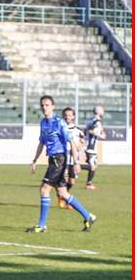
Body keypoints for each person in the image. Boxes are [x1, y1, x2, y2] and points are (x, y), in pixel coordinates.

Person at [28, 96, 96, 233]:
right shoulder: (43, 123)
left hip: (59, 159)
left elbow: (71, 142)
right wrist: (34, 160)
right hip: (52, 159)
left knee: (44, 189)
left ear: (53, 107)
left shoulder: (59, 122)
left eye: (47, 105)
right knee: (62, 192)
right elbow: (42, 142)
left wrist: (76, 162)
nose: (44, 107)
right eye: (42, 105)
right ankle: (88, 216)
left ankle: (42, 225)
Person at [59, 106, 84, 208]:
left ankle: (64, 195)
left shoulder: (78, 130)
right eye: (65, 115)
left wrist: (80, 146)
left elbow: (82, 141)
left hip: (73, 159)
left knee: (72, 182)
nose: (67, 117)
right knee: (63, 180)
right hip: (63, 158)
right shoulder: (60, 128)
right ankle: (66, 200)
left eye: (69, 115)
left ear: (73, 117)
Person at [82, 105, 106, 190]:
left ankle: (89, 183)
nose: (104, 112)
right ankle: (72, 167)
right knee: (92, 166)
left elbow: (85, 131)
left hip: (89, 146)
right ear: (99, 112)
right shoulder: (97, 123)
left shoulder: (91, 121)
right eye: (103, 110)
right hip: (91, 147)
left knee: (93, 165)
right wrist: (99, 134)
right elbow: (93, 132)